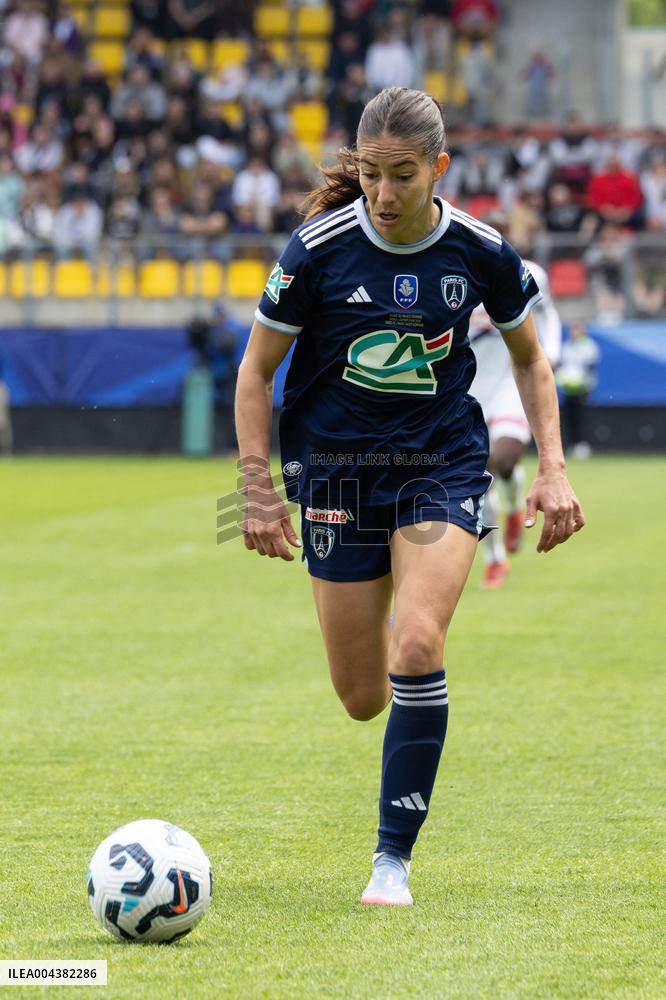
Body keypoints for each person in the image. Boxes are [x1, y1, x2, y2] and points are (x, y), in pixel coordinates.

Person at [234, 88, 584, 907]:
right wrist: (258, 492)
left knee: (418, 644)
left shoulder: (480, 251)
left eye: (402, 176)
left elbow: (533, 362)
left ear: (439, 169)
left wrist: (555, 468)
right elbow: (254, 374)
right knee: (362, 697)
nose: (384, 197)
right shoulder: (316, 251)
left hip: (441, 464)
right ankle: (388, 640)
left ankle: (392, 859)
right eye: (370, 177)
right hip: (335, 478)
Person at [468, 222, 563, 588]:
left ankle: (512, 508)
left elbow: (548, 315)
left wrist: (550, 356)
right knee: (479, 476)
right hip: (470, 386)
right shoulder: (453, 274)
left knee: (502, 460)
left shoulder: (527, 274)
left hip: (511, 382)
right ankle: (494, 559)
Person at [556, 321, 600, 458]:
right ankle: (572, 444)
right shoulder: (567, 346)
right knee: (569, 417)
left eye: (577, 329)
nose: (574, 333)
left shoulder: (589, 346)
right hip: (568, 389)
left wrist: (580, 381)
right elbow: (562, 366)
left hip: (583, 389)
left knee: (581, 416)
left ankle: (583, 445)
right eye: (572, 330)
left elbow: (590, 367)